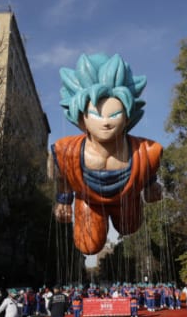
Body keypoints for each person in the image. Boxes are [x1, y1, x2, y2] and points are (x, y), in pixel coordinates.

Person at [51, 53, 163, 255]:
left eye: (114, 114)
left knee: (130, 226)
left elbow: (146, 167)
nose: (106, 122)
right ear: (81, 119)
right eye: (95, 114)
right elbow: (63, 177)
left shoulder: (146, 150)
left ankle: (126, 207)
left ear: (128, 117)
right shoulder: (66, 151)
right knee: (88, 245)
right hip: (88, 200)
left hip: (127, 198)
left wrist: (150, 185)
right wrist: (63, 200)